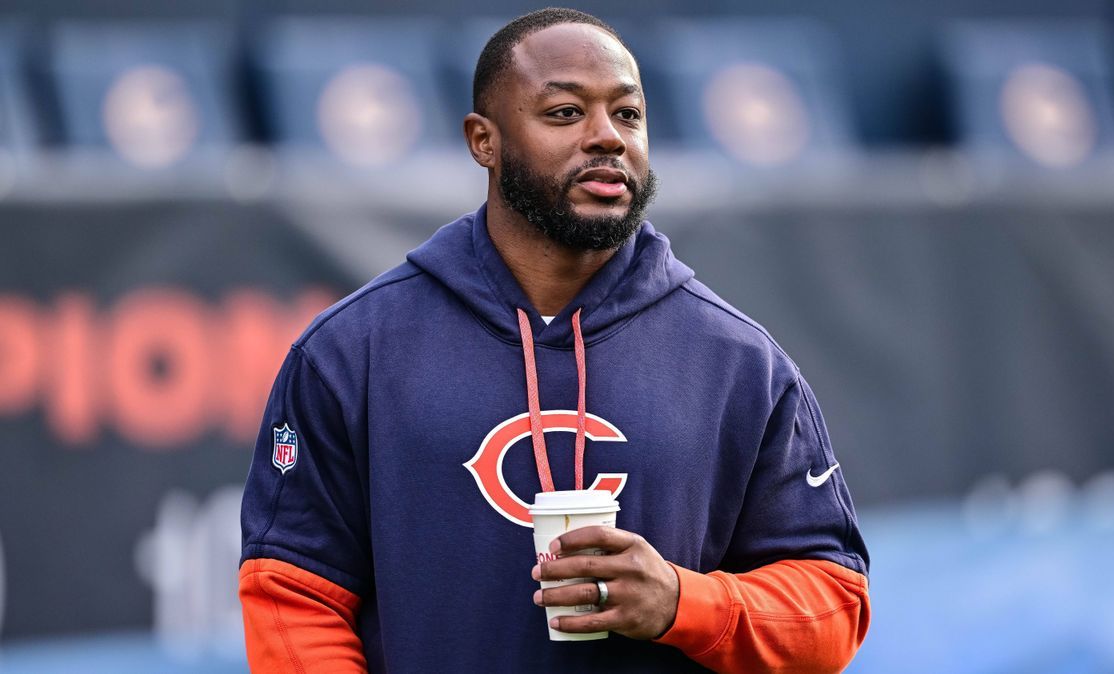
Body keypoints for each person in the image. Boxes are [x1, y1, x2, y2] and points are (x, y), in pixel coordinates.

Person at [239, 7, 870, 673]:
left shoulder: (739, 363)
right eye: (566, 112)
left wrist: (684, 602)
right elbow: (294, 597)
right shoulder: (352, 351)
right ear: (484, 140)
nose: (607, 138)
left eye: (627, 114)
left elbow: (833, 606)